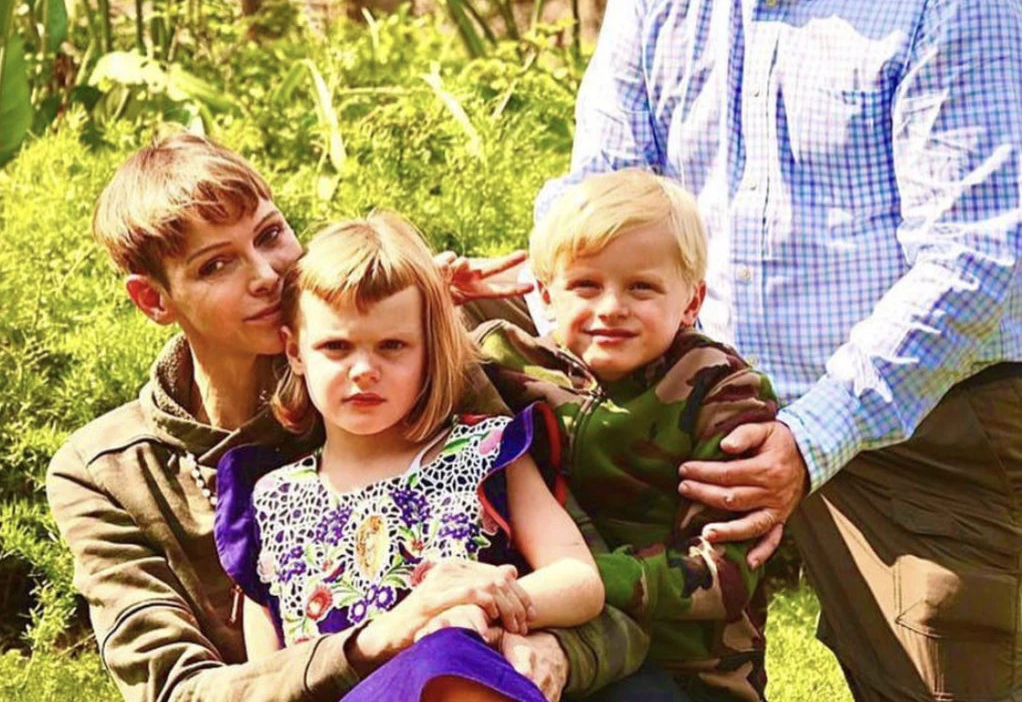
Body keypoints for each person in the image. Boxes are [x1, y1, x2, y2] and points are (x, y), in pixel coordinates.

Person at [537, 0, 1022, 702]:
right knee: (581, 653)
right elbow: (601, 188)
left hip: (913, 423)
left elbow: (978, 261)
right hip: (681, 409)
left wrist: (811, 434)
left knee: (949, 678)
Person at [46, 132, 645, 702]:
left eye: (271, 233)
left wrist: (554, 649)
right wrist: (379, 638)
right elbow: (178, 691)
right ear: (154, 300)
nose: (267, 274)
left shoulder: (416, 380)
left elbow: (606, 598)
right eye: (216, 266)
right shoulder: (106, 472)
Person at [215, 211, 606, 702]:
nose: (364, 371)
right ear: (295, 351)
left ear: (429, 350)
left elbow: (580, 581)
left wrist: (487, 605)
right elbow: (271, 676)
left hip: (458, 682)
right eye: (336, 347)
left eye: (393, 346)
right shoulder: (270, 499)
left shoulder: (483, 452)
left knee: (448, 659)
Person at [476, 169, 777, 702]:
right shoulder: (509, 363)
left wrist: (586, 581)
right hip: (553, 633)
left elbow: (724, 572)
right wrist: (434, 286)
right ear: (545, 294)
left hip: (690, 665)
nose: (612, 307)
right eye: (586, 285)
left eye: (642, 287)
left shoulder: (722, 393)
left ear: (691, 301)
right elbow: (400, 359)